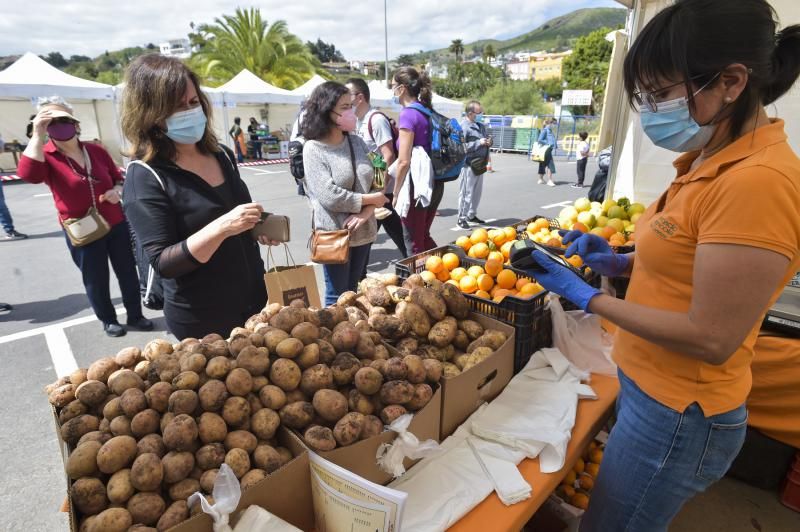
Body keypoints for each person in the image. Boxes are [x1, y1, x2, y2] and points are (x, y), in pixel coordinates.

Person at [525, 2, 800, 530]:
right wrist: (623, 262)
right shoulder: (708, 160)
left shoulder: (757, 183)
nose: (650, 108)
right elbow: (690, 256)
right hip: (650, 387)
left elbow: (711, 335)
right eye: (644, 95)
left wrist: (589, 297)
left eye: (661, 93)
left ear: (731, 82)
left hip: (679, 413)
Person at [120, 55, 273, 340]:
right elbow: (164, 262)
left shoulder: (222, 155)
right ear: (150, 114)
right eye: (177, 107)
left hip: (256, 302)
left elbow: (234, 210)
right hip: (204, 319)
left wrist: (260, 225)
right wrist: (222, 227)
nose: (190, 111)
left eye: (194, 102)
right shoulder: (144, 176)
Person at [17, 96, 151, 337]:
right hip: (81, 228)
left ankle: (135, 315)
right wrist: (37, 135)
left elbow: (119, 178)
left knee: (127, 271)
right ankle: (108, 319)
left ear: (75, 123)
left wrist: (116, 191)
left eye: (64, 119)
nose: (59, 124)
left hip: (115, 221)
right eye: (51, 121)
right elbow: (29, 175)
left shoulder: (95, 150)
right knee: (95, 278)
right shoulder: (46, 155)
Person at [301, 81, 387, 306]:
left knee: (355, 291)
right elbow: (330, 195)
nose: (351, 112)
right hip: (334, 234)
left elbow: (380, 169)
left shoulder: (357, 142)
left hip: (364, 231)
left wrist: (366, 212)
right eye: (344, 107)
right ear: (325, 110)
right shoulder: (313, 149)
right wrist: (370, 200)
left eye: (351, 106)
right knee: (337, 297)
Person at [346, 77, 407, 259]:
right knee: (397, 237)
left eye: (347, 95)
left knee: (364, 243)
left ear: (360, 97)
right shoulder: (358, 121)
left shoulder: (376, 119)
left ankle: (418, 269)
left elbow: (387, 156)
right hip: (372, 192)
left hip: (382, 192)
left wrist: (378, 190)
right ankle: (416, 268)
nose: (344, 100)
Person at [391, 67, 439, 254]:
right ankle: (446, 272)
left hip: (416, 185)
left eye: (393, 86)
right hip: (433, 182)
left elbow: (403, 161)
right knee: (423, 236)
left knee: (413, 243)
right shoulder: (426, 111)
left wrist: (395, 193)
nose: (392, 90)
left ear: (402, 88)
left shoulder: (408, 114)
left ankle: (420, 281)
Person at [457, 100, 492, 229]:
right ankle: (461, 218)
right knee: (467, 192)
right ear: (471, 113)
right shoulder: (464, 127)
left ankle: (471, 215)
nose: (481, 114)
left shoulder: (480, 125)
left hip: (480, 164)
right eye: (479, 112)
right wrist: (479, 143)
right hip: (469, 165)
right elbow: (461, 147)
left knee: (477, 192)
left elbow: (486, 138)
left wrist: (489, 141)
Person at [536, 118, 557, 186]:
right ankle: (550, 180)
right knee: (550, 165)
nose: (555, 125)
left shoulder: (549, 130)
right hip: (546, 150)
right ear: (550, 123)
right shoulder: (545, 130)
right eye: (554, 123)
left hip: (547, 150)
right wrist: (548, 143)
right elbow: (539, 140)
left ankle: (541, 179)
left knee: (542, 164)